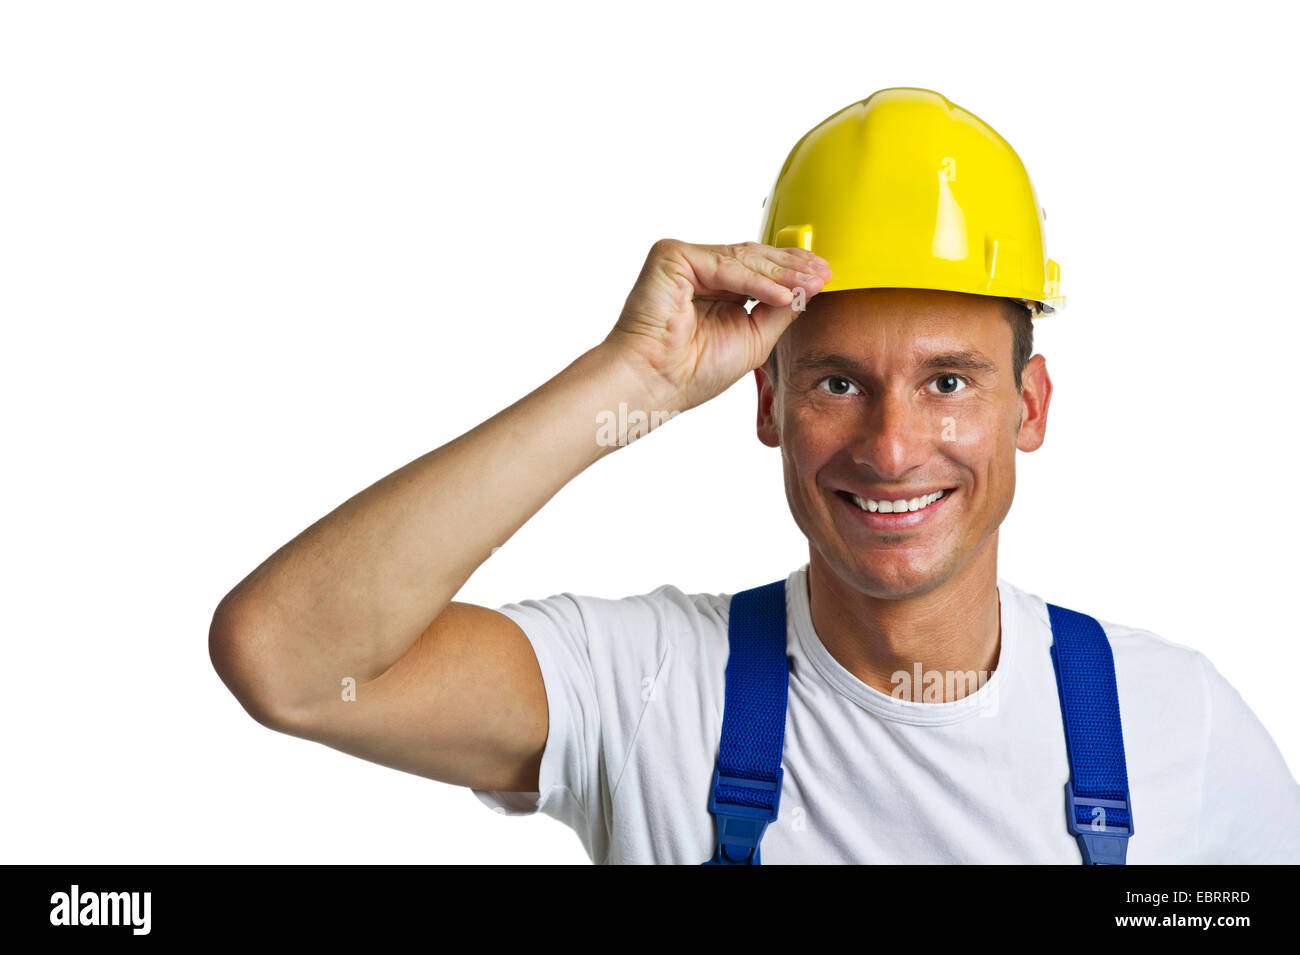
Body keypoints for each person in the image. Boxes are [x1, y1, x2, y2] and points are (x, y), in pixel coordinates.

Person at [208, 88, 1300, 864]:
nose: (889, 447)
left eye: (950, 383)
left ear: (1031, 407)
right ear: (767, 405)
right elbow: (290, 661)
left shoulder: (1174, 725)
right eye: (835, 384)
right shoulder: (643, 692)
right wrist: (623, 379)